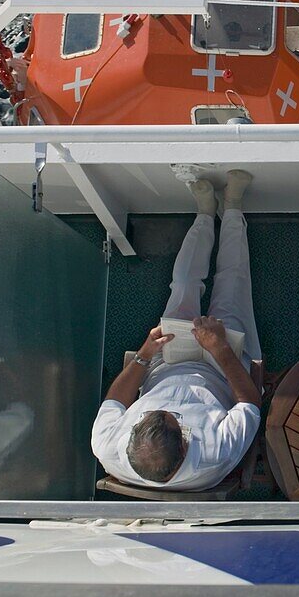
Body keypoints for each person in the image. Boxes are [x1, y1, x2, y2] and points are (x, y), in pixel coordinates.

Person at [91, 171, 263, 490]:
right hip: (223, 371)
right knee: (231, 285)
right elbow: (250, 403)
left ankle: (204, 214)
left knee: (182, 285)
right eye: (176, 419)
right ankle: (234, 208)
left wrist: (144, 354)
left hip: (167, 363)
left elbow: (114, 400)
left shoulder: (106, 446)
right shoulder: (216, 452)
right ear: (185, 446)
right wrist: (220, 350)